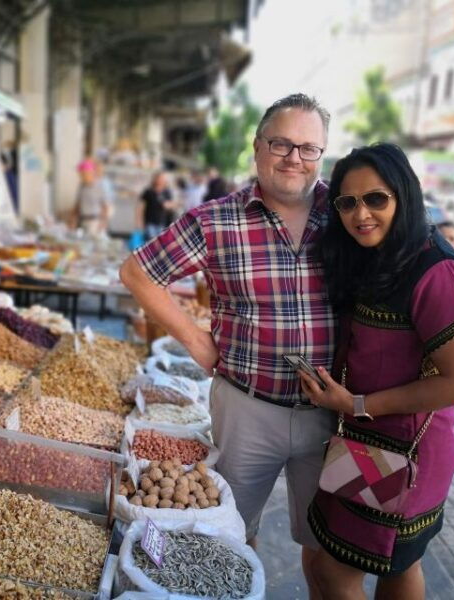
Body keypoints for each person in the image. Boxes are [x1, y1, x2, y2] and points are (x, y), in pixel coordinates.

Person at [120, 93, 336, 598]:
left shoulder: (344, 216)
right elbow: (137, 272)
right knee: (236, 534)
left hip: (332, 412)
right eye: (281, 143)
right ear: (257, 147)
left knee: (326, 545)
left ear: (322, 154)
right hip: (246, 407)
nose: (294, 158)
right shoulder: (216, 219)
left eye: (309, 148)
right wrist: (196, 341)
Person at [298, 143, 454, 598]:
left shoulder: (437, 272)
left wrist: (357, 404)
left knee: (335, 571)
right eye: (347, 202)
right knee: (398, 566)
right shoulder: (382, 253)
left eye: (376, 199)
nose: (361, 213)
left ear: (404, 195)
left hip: (406, 455)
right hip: (370, 445)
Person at [72, 158, 111, 235]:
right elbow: (78, 204)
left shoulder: (101, 186)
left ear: (91, 173)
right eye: (80, 174)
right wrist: (73, 220)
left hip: (96, 221)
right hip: (83, 220)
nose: (82, 176)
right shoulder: (82, 186)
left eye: (84, 174)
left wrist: (103, 224)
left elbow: (106, 206)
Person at [137, 171, 177, 240]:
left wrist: (168, 205)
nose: (161, 180)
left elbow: (172, 204)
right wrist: (139, 221)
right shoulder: (148, 191)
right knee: (151, 241)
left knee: (160, 243)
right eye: (159, 178)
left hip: (162, 222)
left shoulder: (166, 192)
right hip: (150, 222)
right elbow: (140, 207)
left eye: (162, 179)